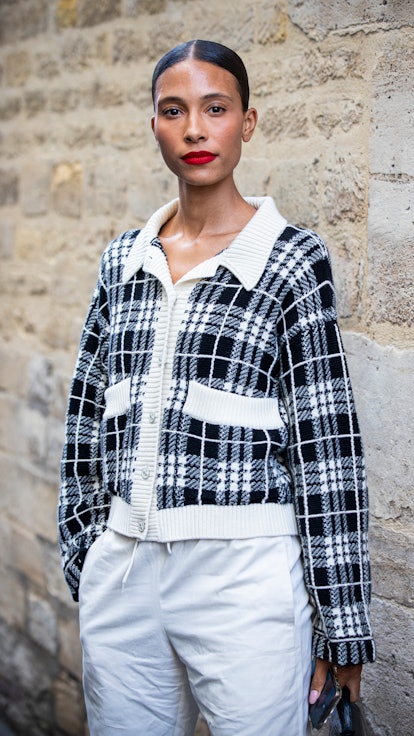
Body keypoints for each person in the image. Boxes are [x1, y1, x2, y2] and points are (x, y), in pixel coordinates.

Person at [58, 39, 375, 736]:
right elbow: (85, 413)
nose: (195, 130)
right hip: (123, 575)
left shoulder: (292, 259)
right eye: (174, 111)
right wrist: (87, 550)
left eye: (215, 108)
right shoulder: (124, 259)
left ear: (248, 122)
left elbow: (327, 445)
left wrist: (342, 625)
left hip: (244, 583)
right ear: (154, 126)